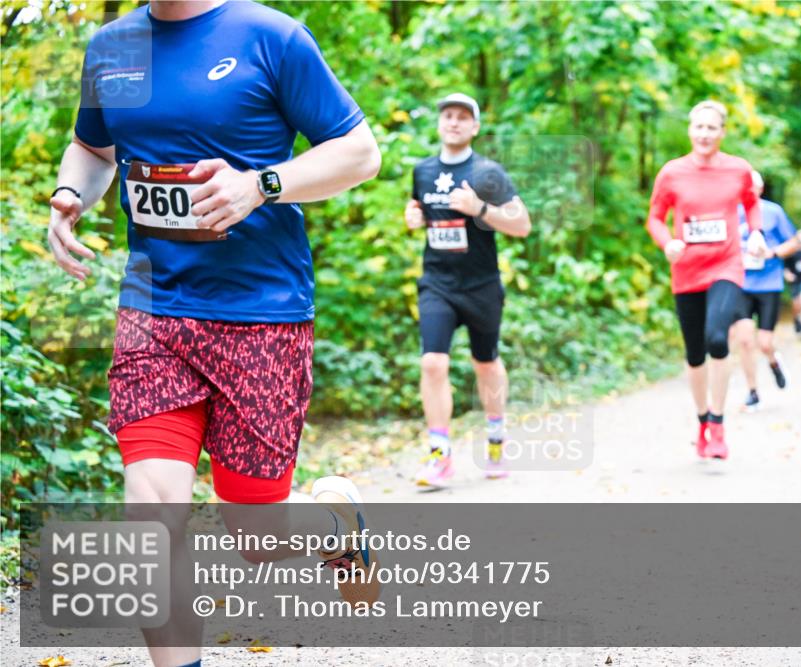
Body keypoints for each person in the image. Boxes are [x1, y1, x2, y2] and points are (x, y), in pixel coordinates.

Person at [47, 1, 381, 664]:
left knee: (257, 534)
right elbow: (92, 147)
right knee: (150, 516)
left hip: (261, 314)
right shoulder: (114, 46)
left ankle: (336, 525)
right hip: (155, 311)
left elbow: (360, 153)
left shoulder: (270, 37)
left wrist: (262, 185)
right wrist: (71, 195)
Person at [405, 93, 531, 487]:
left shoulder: (488, 172)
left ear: (475, 127)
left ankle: (495, 439)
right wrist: (413, 215)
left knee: (485, 363)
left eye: (463, 117)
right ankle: (439, 455)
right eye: (448, 115)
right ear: (439, 123)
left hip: (481, 285)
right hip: (437, 283)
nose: (454, 122)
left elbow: (522, 224)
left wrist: (479, 209)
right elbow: (418, 208)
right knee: (432, 363)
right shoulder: (422, 171)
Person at [646, 100, 766, 460]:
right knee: (695, 353)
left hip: (726, 265)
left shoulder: (738, 169)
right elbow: (655, 218)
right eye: (699, 127)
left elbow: (751, 203)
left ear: (722, 132)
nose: (704, 134)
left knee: (717, 337)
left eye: (712, 127)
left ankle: (718, 422)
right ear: (690, 130)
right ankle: (702, 422)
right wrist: (667, 243)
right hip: (686, 271)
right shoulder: (672, 173)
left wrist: (756, 233)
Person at [731, 170, 799, 412]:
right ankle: (753, 392)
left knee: (764, 342)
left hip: (769, 284)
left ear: (760, 189)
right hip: (740, 283)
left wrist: (772, 253)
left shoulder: (773, 211)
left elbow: (793, 241)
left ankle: (774, 362)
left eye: (753, 187)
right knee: (744, 340)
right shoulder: (731, 212)